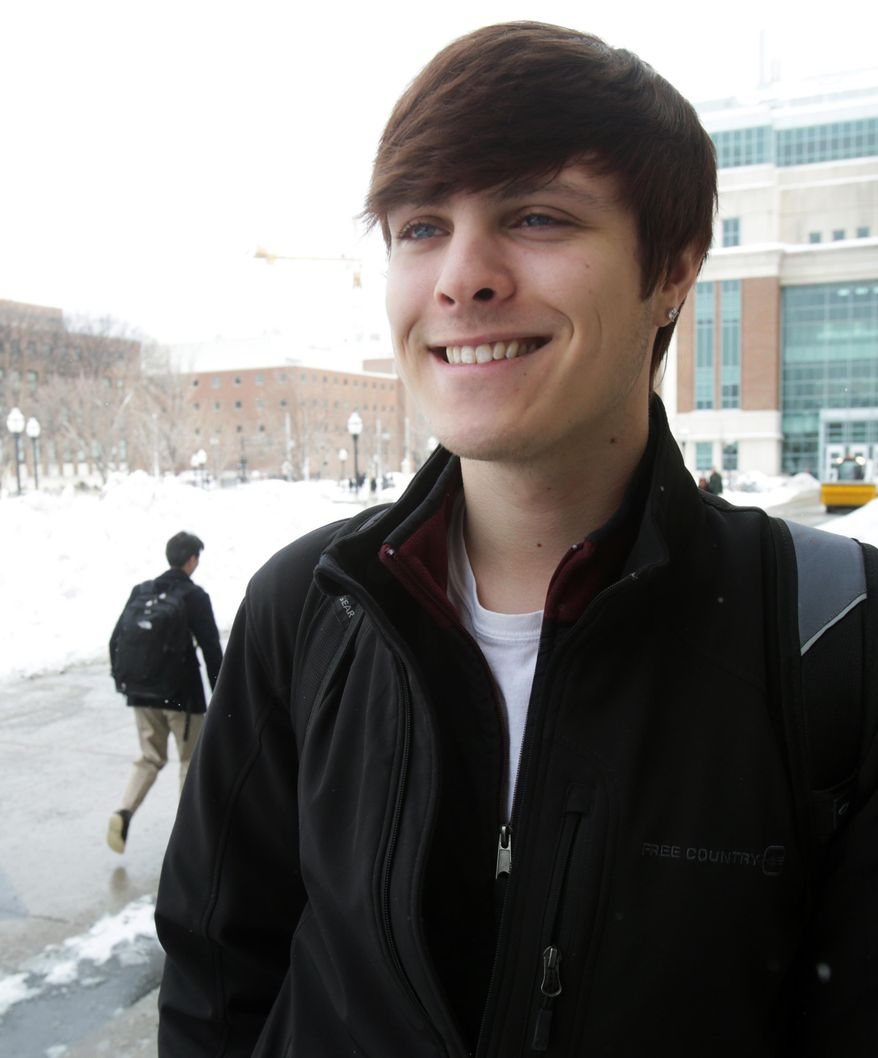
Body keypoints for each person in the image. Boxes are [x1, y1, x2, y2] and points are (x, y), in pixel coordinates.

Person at [155, 22, 878, 1057]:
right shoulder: (306, 608)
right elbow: (218, 975)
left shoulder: (829, 640)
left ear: (672, 265)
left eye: (534, 216)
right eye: (418, 227)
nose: (460, 277)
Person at [107, 531, 222, 854]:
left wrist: (126, 685)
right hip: (181, 699)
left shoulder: (141, 591)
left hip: (141, 694)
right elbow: (212, 651)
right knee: (190, 761)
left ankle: (124, 810)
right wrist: (223, 698)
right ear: (192, 560)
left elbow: (115, 640)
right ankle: (187, 837)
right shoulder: (193, 596)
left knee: (149, 757)